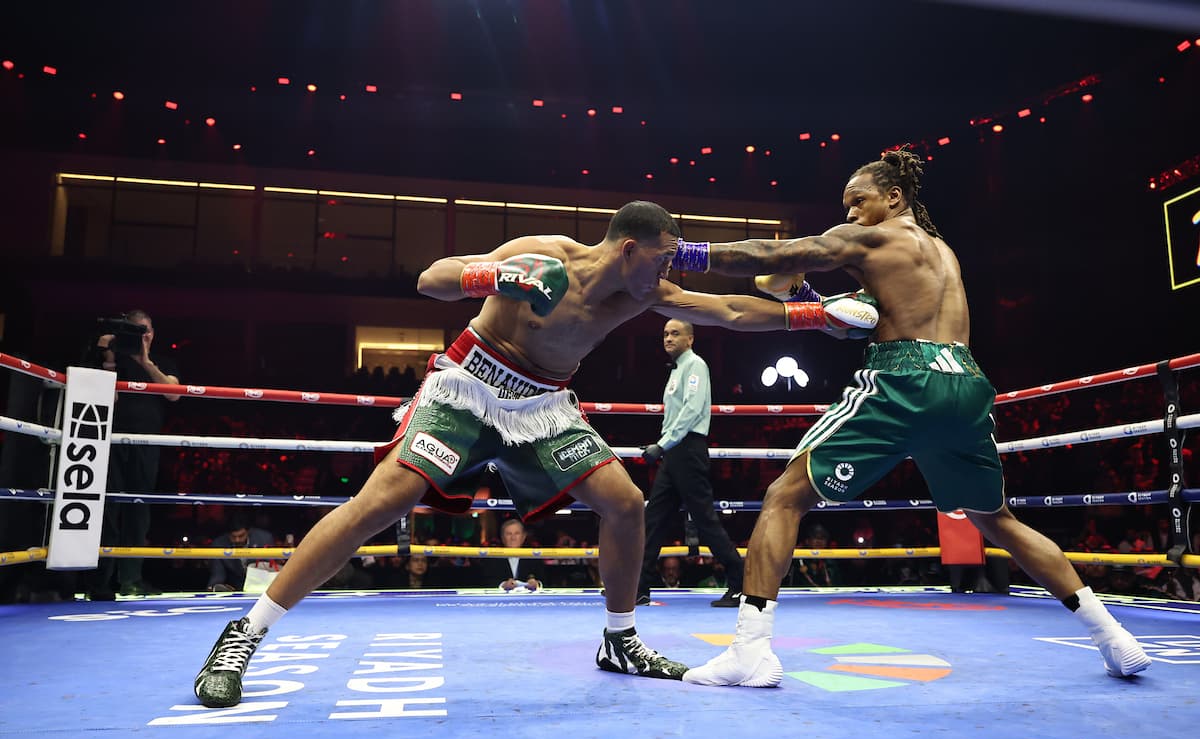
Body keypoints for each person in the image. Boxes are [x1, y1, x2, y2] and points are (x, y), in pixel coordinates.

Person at [192, 199, 879, 707]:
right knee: (386, 499)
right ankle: (245, 633)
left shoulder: (646, 293)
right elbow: (432, 277)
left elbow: (728, 312)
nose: (670, 277)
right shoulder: (545, 253)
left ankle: (619, 638)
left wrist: (814, 316)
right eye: (664, 259)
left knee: (626, 504)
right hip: (469, 383)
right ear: (628, 247)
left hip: (543, 405)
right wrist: (498, 281)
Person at [675, 147, 1151, 687]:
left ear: (894, 197)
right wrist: (816, 299)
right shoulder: (942, 252)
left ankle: (750, 651)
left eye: (859, 201)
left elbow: (774, 254)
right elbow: (867, 313)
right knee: (996, 519)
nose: (850, 213)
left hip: (905, 376)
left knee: (785, 496)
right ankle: (1113, 636)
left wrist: (687, 253)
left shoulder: (873, 238)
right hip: (966, 380)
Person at [636, 318, 744, 608]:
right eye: (665, 334)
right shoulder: (677, 369)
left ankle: (739, 582)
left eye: (675, 333)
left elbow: (692, 410)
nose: (668, 338)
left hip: (687, 449)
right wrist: (665, 446)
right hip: (674, 452)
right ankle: (640, 587)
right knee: (654, 519)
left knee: (705, 520)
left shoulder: (695, 365)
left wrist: (662, 445)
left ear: (690, 339)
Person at [87, 310, 180, 599]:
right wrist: (110, 359)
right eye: (135, 330)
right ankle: (101, 582)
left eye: (146, 330)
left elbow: (174, 393)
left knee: (138, 511)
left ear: (153, 333)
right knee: (107, 510)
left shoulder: (162, 362)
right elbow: (103, 398)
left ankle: (132, 580)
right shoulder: (108, 358)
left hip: (145, 443)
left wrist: (146, 363)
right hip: (110, 440)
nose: (142, 335)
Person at [206, 514, 277, 591]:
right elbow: (217, 575)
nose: (237, 540)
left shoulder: (264, 539)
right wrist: (214, 588)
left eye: (241, 536)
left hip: (262, 589)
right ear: (227, 534)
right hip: (233, 590)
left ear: (249, 531)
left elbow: (269, 569)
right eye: (233, 537)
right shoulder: (218, 544)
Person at [481, 517, 547, 591]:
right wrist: (503, 585)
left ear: (523, 536)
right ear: (502, 537)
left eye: (517, 533)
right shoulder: (492, 559)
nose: (513, 537)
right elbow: (485, 582)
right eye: (509, 534)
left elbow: (545, 581)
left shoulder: (533, 557)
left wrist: (537, 584)